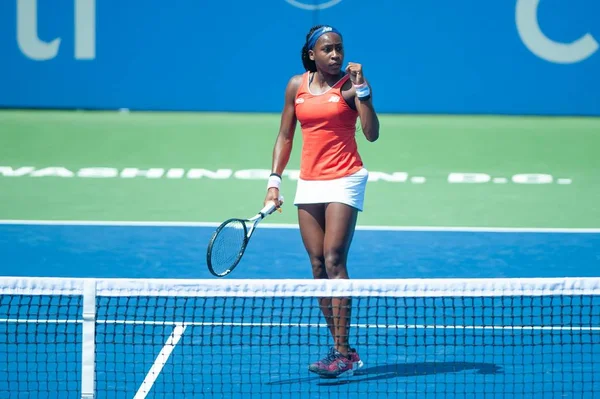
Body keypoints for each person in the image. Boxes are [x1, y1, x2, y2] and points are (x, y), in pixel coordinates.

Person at [263, 24, 380, 378]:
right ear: (312, 54)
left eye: (339, 49)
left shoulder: (349, 87)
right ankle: (342, 348)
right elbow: (285, 136)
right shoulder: (296, 86)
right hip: (310, 181)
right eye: (327, 50)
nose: (335, 55)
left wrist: (364, 92)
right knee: (316, 265)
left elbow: (372, 134)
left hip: (346, 178)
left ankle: (342, 352)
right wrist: (273, 181)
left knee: (333, 259)